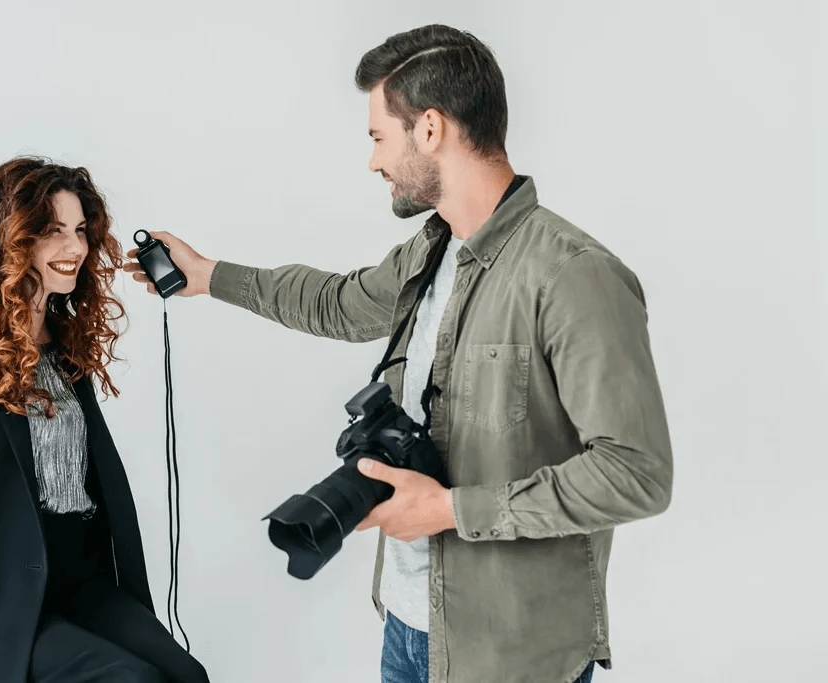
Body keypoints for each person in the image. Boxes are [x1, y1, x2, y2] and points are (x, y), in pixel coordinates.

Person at [123, 23, 673, 683]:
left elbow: (636, 472)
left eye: (379, 136)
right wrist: (209, 275)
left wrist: (448, 510)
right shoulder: (432, 247)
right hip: (409, 630)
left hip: (512, 658)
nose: (374, 161)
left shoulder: (573, 275)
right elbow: (340, 301)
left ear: (431, 129)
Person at [0, 157, 210, 683]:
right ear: (11, 241)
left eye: (81, 231)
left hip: (81, 578)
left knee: (185, 675)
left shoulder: (65, 353)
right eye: (54, 231)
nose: (76, 249)